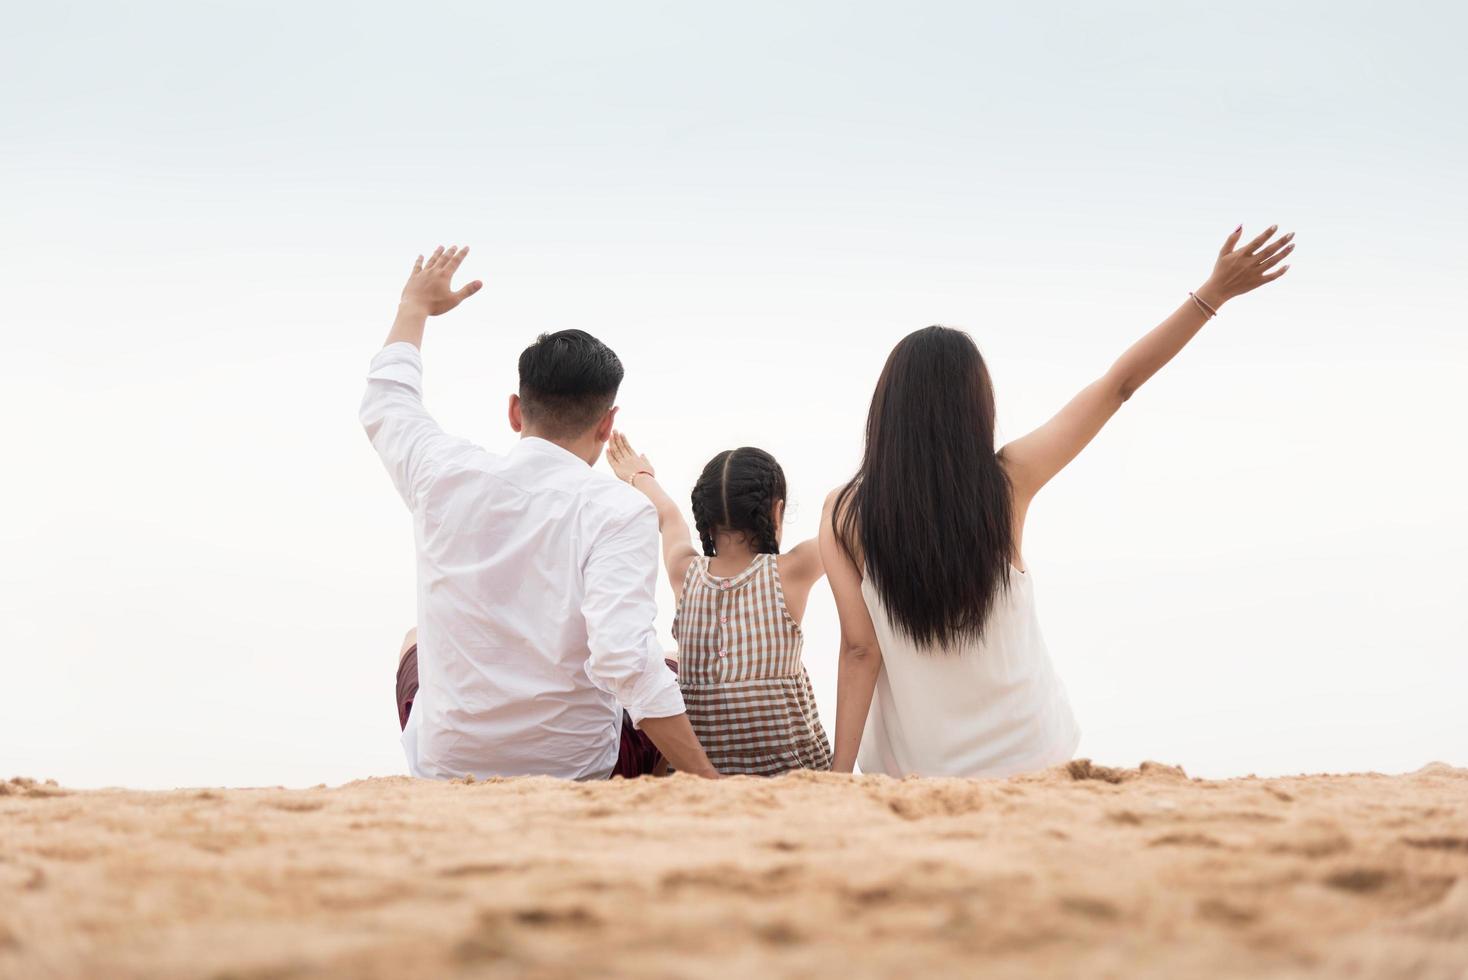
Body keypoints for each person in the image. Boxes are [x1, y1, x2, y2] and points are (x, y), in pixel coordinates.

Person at [820, 225, 1296, 777]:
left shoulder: (842, 512)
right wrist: (1211, 295)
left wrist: (837, 776)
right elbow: (1119, 385)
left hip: (915, 771)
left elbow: (860, 649)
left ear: (888, 409)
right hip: (1030, 757)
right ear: (975, 407)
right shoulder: (1007, 482)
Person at [359, 245, 719, 780]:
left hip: (447, 765)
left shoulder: (442, 472)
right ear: (607, 422)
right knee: (663, 664)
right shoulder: (618, 509)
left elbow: (387, 405)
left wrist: (414, 307)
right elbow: (622, 657)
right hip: (576, 769)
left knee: (414, 640)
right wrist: (708, 779)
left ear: (514, 410)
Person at [605, 434, 833, 775]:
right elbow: (847, 527)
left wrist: (639, 477)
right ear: (777, 510)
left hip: (700, 774)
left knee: (673, 658)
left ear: (706, 518)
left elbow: (668, 517)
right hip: (789, 772)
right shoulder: (791, 570)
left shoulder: (685, 572)